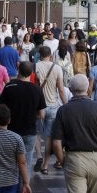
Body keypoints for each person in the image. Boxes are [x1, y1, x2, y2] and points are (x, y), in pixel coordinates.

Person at [52, 74, 97, 193]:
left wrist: (62, 160)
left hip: (74, 158)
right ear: (88, 89)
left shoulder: (63, 110)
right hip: (96, 159)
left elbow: (56, 142)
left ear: (70, 89)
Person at [0, 61, 46, 181]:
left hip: (11, 130)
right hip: (29, 131)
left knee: (9, 161)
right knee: (27, 161)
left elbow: (0, 106)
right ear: (32, 73)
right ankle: (25, 184)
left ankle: (12, 185)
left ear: (18, 70)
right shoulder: (37, 89)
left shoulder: (10, 86)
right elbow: (42, 114)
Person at [35, 45, 67, 174]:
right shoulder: (57, 68)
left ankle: (38, 156)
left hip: (38, 106)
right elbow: (61, 89)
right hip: (53, 105)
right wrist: (66, 105)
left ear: (39, 55)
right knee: (49, 136)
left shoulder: (35, 66)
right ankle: (45, 165)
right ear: (51, 55)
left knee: (37, 133)